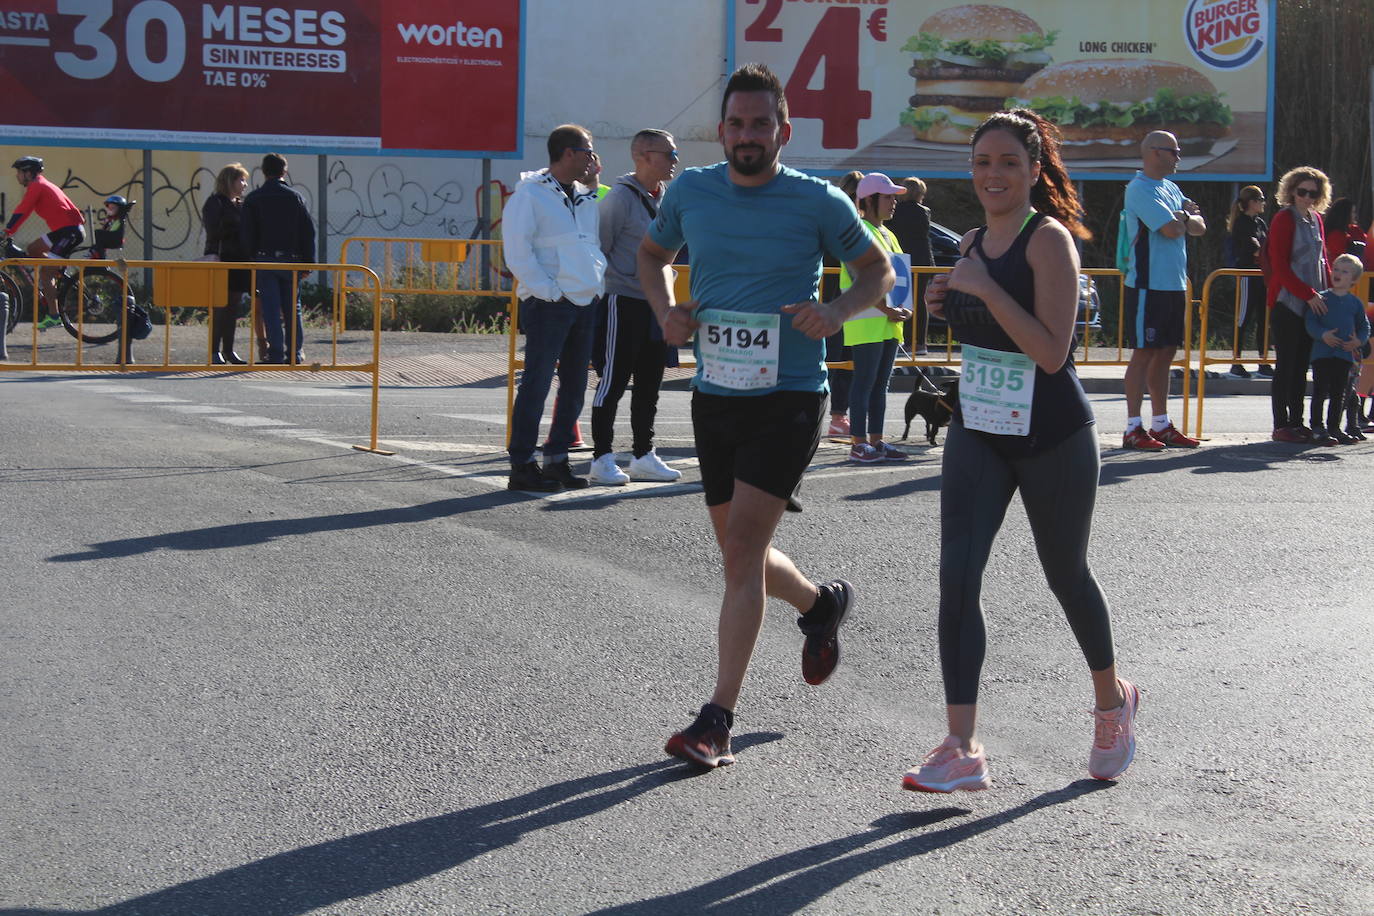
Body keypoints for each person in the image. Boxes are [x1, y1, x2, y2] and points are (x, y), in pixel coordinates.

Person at [638, 63, 894, 769]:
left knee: (743, 552)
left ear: (783, 130)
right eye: (737, 124)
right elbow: (652, 254)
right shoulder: (691, 191)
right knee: (737, 553)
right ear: (720, 131)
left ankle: (716, 718)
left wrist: (837, 310)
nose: (748, 135)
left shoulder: (815, 202)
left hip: (788, 395)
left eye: (761, 124)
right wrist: (667, 310)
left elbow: (879, 273)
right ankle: (818, 605)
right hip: (716, 394)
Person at [904, 109, 1137, 794]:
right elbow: (983, 328)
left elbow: (1049, 350)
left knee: (1066, 574)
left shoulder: (1048, 240)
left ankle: (1110, 701)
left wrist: (981, 288)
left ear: (1035, 170)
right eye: (982, 162)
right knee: (957, 575)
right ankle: (962, 745)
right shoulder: (972, 241)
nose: (993, 174)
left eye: (1009, 162)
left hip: (1052, 434)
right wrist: (949, 299)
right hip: (980, 424)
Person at [502, 124, 607, 492]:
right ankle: (522, 464)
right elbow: (517, 251)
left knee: (575, 385)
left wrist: (596, 285)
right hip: (550, 304)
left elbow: (589, 243)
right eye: (588, 151)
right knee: (537, 382)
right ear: (567, 153)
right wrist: (548, 291)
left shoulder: (583, 196)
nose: (593, 159)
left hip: (583, 300)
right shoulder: (530, 195)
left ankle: (557, 460)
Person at [588, 129, 683, 486]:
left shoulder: (666, 197)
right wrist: (615, 284)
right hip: (621, 300)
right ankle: (602, 457)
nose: (674, 160)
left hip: (654, 303)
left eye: (675, 153)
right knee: (612, 381)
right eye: (668, 153)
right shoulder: (619, 199)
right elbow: (600, 248)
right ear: (642, 155)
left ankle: (644, 454)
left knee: (649, 384)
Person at [1119, 131, 1204, 450]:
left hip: (1174, 284)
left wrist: (1184, 218)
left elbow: (1199, 227)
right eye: (1174, 151)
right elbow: (1172, 229)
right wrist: (1185, 217)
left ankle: (1161, 423)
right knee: (1144, 352)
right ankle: (1132, 427)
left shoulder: (1172, 188)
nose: (1179, 157)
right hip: (1147, 285)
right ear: (1155, 153)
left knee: (1167, 351)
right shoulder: (1139, 188)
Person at [841, 172, 912, 463]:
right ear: (869, 200)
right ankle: (859, 443)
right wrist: (888, 309)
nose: (894, 202)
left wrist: (902, 307)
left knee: (880, 385)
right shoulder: (859, 230)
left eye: (894, 196)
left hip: (888, 320)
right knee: (864, 382)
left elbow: (899, 276)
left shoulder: (888, 233)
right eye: (888, 196)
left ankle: (877, 441)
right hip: (867, 318)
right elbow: (860, 275)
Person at [1266, 166, 1331, 443]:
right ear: (1291, 191)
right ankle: (1281, 424)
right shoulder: (1284, 218)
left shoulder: (1316, 219)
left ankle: (1297, 421)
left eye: (1312, 193)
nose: (1307, 197)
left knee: (1302, 364)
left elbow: (1323, 260)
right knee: (1286, 364)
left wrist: (1328, 295)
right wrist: (1306, 293)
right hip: (1287, 302)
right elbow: (1280, 264)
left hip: (1313, 303)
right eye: (1302, 191)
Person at [240, 153, 315, 365]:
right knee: (293, 308)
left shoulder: (253, 199)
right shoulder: (296, 197)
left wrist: (250, 259)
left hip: (263, 260)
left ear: (264, 172)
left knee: (270, 308)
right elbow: (307, 232)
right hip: (291, 261)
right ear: (285, 171)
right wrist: (308, 262)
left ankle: (274, 355)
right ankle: (295, 354)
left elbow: (247, 234)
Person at [2, 156, 86, 329]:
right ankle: (52, 277)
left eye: (19, 172)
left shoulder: (38, 186)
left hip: (69, 232)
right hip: (63, 230)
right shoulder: (40, 184)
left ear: (28, 173)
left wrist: (6, 231)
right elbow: (24, 210)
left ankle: (54, 316)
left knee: (46, 273)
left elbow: (22, 210)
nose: (17, 176)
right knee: (33, 249)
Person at [1305, 253, 1370, 445]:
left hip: (1344, 355)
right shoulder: (1322, 298)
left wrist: (1358, 341)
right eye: (1337, 269)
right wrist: (1323, 334)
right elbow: (1311, 321)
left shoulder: (1355, 303)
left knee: (1339, 393)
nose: (1338, 273)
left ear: (1354, 279)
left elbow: (1364, 326)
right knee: (1319, 391)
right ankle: (1317, 427)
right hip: (1322, 354)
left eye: (1345, 271)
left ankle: (1334, 428)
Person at [823, 170, 866, 440]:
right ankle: (836, 416)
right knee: (835, 361)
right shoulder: (840, 222)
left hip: (845, 300)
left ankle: (838, 416)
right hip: (835, 300)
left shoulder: (851, 223)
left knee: (842, 361)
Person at [202, 163, 251, 365]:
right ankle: (214, 351)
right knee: (220, 306)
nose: (244, 184)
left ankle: (229, 351)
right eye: (241, 180)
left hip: (239, 260)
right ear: (229, 181)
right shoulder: (215, 203)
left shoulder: (240, 204)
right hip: (221, 258)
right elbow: (213, 230)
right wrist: (236, 229)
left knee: (233, 307)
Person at [888, 176, 936, 355]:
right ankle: (920, 343)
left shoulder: (897, 211)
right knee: (920, 301)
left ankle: (904, 342)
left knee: (901, 300)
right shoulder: (925, 211)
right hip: (923, 259)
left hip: (901, 257)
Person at [1224, 186, 1269, 379]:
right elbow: (1254, 249)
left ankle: (1263, 361)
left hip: (1262, 276)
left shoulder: (1260, 222)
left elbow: (1267, 246)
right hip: (1247, 275)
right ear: (1251, 202)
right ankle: (1236, 361)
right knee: (1243, 318)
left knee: (1263, 320)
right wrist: (1264, 253)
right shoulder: (1242, 223)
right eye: (1260, 199)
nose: (1263, 203)